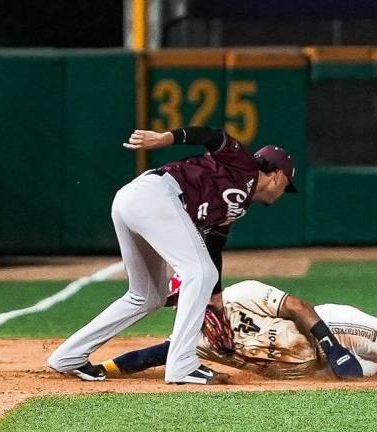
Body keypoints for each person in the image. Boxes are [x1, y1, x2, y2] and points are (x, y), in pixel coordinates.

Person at [47, 126, 335, 384]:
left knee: (148, 296)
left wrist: (216, 297)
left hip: (135, 201)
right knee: (199, 272)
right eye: (286, 186)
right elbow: (213, 136)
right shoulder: (244, 163)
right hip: (154, 196)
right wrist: (166, 138)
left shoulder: (237, 205)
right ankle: (182, 364)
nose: (284, 192)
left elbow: (213, 244)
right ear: (278, 175)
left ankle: (69, 356)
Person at [85, 278, 377, 381]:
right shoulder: (197, 336)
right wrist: (102, 369)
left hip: (335, 330)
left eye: (183, 298)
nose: (180, 307)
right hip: (318, 365)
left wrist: (334, 347)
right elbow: (153, 355)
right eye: (174, 303)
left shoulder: (241, 294)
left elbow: (298, 307)